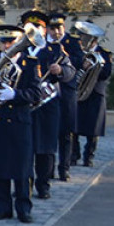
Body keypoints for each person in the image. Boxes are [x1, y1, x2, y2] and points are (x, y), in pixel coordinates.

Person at [0, 25, 45, 224]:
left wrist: (15, 94)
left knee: (22, 168)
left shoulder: (29, 63)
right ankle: (3, 208)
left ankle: (23, 208)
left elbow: (36, 93)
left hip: (19, 122)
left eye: (11, 42)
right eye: (3, 42)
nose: (7, 46)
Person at [20, 11, 73, 200]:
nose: (35, 32)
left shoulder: (55, 50)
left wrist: (60, 70)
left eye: (39, 28)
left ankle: (44, 186)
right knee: (24, 149)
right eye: (30, 28)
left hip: (47, 107)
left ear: (44, 30)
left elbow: (70, 72)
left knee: (46, 149)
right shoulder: (18, 50)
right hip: (24, 105)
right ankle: (24, 186)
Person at [48, 12, 83, 181]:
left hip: (66, 92)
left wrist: (64, 62)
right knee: (49, 134)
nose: (56, 32)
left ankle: (64, 168)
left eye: (59, 28)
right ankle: (48, 170)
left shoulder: (72, 42)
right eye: (52, 28)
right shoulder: (43, 44)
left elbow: (80, 62)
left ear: (64, 27)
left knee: (66, 132)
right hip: (47, 94)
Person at [76, 28, 112, 167]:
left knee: (94, 129)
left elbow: (106, 73)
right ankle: (75, 155)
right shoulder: (79, 53)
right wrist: (82, 65)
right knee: (75, 127)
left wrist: (93, 66)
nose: (84, 41)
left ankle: (88, 157)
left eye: (88, 38)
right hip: (79, 92)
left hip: (96, 93)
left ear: (95, 40)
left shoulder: (104, 53)